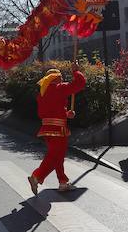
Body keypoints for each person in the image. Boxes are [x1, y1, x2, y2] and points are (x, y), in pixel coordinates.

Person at [27, 63, 86, 194]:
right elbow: (80, 84)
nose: (63, 80)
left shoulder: (42, 93)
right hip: (58, 130)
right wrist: (76, 71)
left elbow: (48, 112)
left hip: (47, 129)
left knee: (57, 156)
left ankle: (63, 182)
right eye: (61, 77)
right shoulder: (60, 88)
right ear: (57, 78)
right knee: (55, 157)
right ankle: (36, 176)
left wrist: (66, 114)